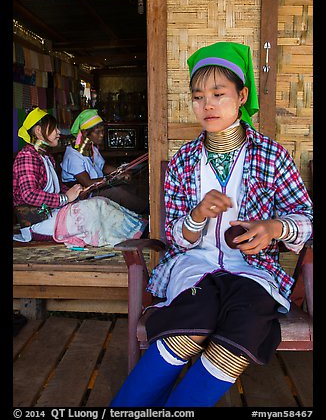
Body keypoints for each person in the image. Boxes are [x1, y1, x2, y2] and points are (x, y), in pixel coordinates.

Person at [109, 42, 313, 407]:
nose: (208, 105)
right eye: (198, 96)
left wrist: (273, 228)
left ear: (241, 95)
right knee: (190, 325)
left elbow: (305, 219)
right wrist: (196, 216)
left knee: (242, 331)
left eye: (219, 94)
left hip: (253, 271)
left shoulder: (271, 155)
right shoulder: (183, 161)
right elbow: (174, 237)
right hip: (195, 267)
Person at [13, 108, 147, 246]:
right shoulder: (27, 157)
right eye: (54, 129)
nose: (58, 132)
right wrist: (65, 198)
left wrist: (78, 192)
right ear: (39, 131)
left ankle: (142, 230)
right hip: (38, 223)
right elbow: (28, 195)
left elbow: (56, 187)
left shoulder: (45, 156)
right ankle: (139, 235)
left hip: (53, 213)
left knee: (100, 201)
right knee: (93, 208)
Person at [61, 109, 149, 214]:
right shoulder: (73, 155)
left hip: (97, 186)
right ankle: (149, 212)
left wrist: (120, 172)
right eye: (98, 132)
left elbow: (102, 167)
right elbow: (87, 183)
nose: (102, 135)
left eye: (103, 131)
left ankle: (147, 211)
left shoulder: (92, 148)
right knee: (118, 193)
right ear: (85, 132)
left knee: (131, 186)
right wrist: (114, 178)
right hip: (85, 193)